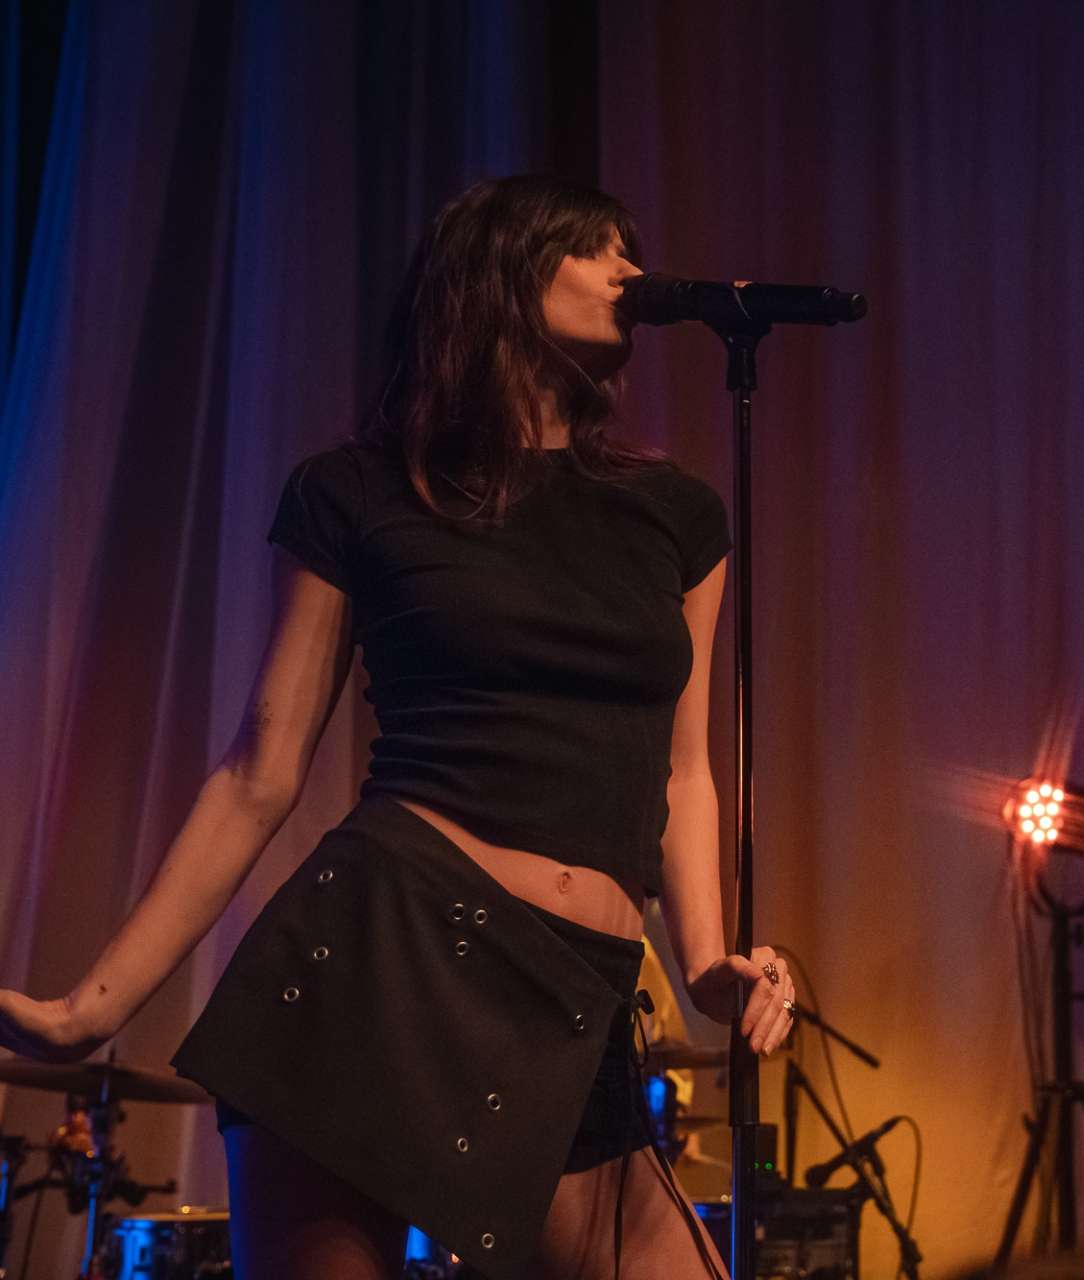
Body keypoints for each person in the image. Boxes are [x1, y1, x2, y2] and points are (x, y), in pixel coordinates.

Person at [0, 174, 791, 1280]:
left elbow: (685, 772)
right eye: (596, 248)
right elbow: (258, 772)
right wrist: (92, 1009)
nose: (631, 271)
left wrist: (706, 967)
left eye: (632, 250)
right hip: (377, 963)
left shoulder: (675, 515)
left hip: (570, 996)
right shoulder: (362, 491)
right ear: (502, 274)